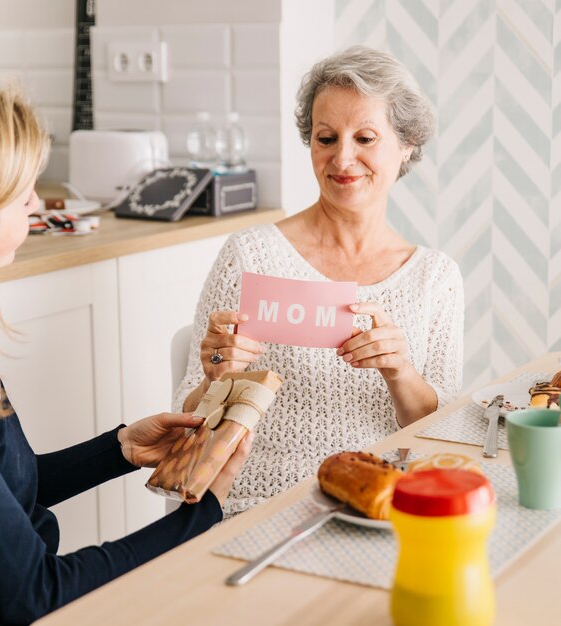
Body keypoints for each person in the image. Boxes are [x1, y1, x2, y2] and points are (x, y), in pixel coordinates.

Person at [0, 77, 252, 625]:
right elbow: (37, 593)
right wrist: (205, 515)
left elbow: (0, 491)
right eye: (23, 189)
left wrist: (120, 449)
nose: (38, 201)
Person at [174, 45, 464, 516]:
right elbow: (187, 416)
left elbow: (441, 434)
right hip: (251, 506)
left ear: (406, 144)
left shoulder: (436, 278)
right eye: (326, 138)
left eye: (365, 138)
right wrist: (215, 379)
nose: (342, 159)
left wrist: (401, 372)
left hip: (376, 510)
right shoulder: (251, 255)